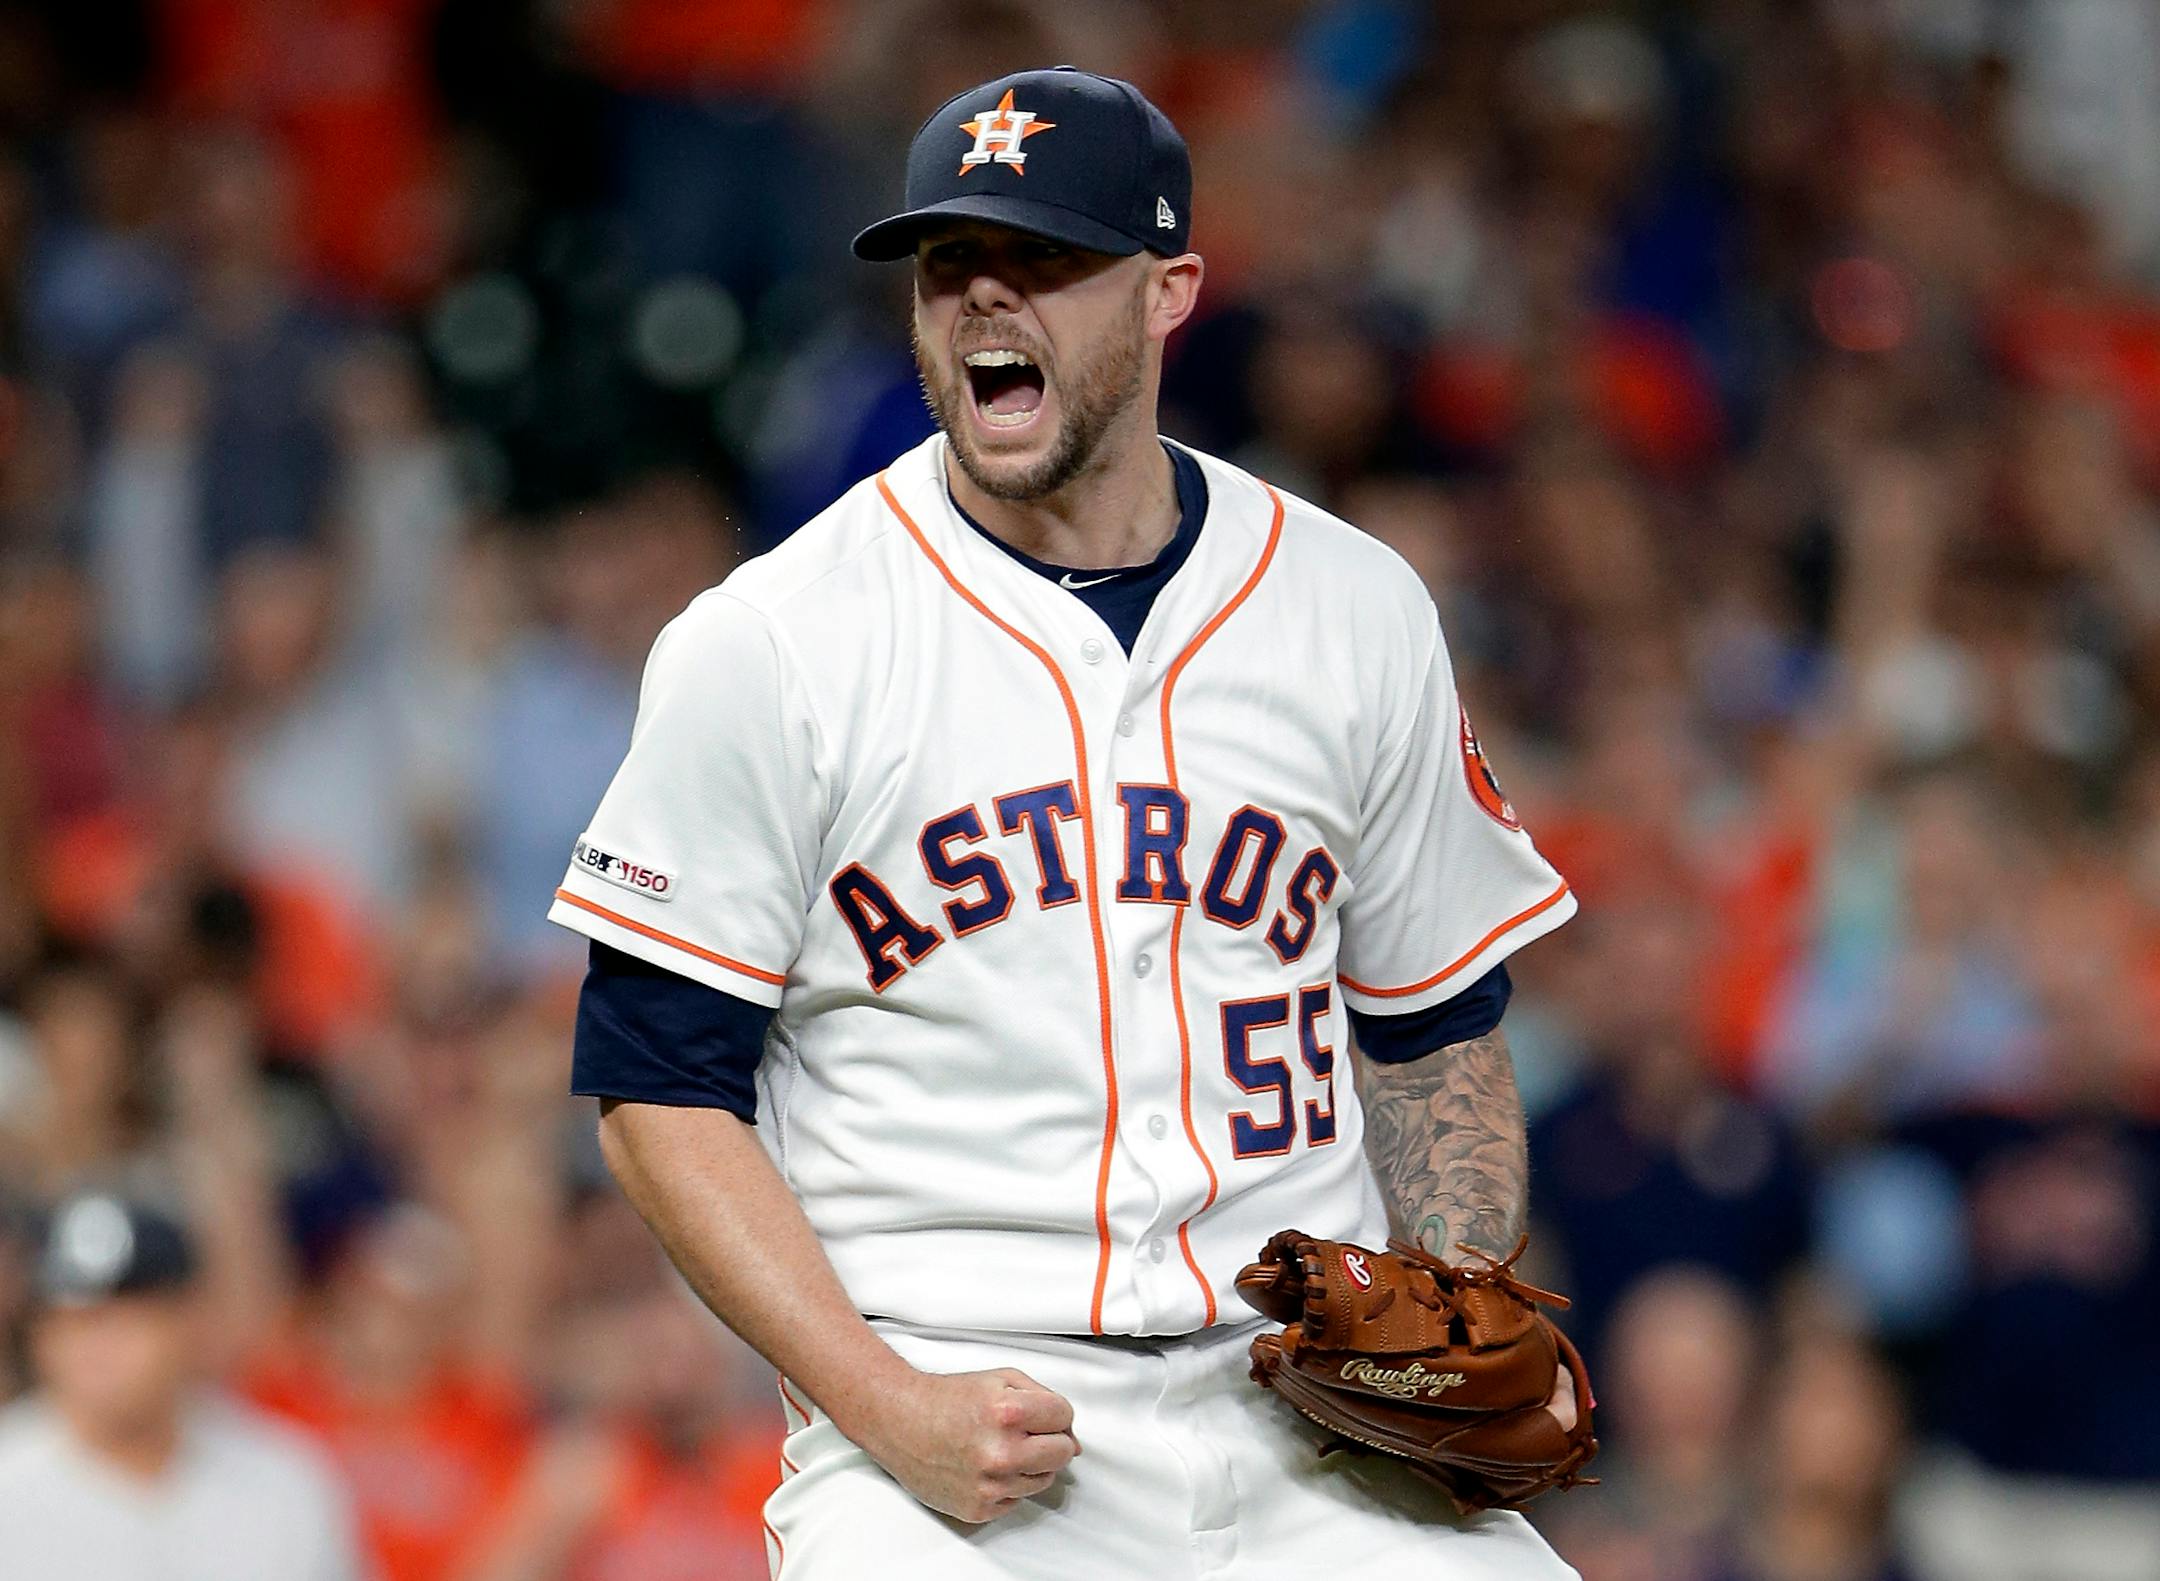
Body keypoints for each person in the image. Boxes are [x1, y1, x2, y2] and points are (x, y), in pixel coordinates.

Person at [550, 66, 1582, 1579]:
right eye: (950, 267)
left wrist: (1449, 1301)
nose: (984, 301)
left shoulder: (1353, 607)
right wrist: (878, 1402)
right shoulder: (775, 638)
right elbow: (655, 1089)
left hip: (1303, 1400)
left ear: (1169, 295)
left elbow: (1433, 1025)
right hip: (954, 1411)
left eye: (1042, 262)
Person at [0, 1192, 362, 1581]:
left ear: (188, 1321)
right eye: (75, 1321)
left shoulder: (282, 1479)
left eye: (127, 1318)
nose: (98, 1348)